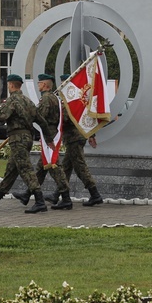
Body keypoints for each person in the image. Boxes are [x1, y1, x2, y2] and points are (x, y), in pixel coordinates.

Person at [0, 74, 55, 214]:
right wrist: (49, 139)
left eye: (8, 84)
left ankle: (40, 202)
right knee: (12, 169)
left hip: (17, 139)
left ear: (10, 85)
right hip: (27, 138)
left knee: (26, 169)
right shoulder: (28, 101)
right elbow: (41, 121)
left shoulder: (12, 100)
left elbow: (1, 116)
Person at [12, 74, 73, 210]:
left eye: (39, 83)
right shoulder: (55, 98)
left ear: (45, 85)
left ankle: (66, 198)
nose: (38, 85)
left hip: (49, 134)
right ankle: (28, 194)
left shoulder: (46, 99)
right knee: (41, 167)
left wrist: (23, 120)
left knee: (54, 166)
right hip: (50, 132)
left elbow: (39, 116)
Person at [45, 73, 103, 207]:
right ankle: (57, 194)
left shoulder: (71, 100)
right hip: (75, 137)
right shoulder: (74, 98)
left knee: (80, 166)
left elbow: (65, 118)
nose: (62, 85)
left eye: (64, 82)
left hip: (74, 138)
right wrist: (91, 135)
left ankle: (95, 194)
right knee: (66, 167)